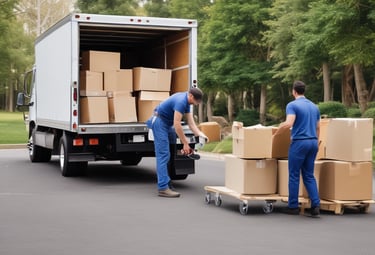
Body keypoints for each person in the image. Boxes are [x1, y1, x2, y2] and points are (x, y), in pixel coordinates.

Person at [146, 87, 208, 198]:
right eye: (196, 102)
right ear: (191, 96)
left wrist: (200, 135)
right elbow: (177, 124)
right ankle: (163, 188)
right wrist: (185, 143)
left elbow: (191, 124)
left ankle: (167, 181)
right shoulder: (181, 101)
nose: (196, 104)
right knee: (163, 155)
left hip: (167, 123)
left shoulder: (187, 101)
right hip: (159, 122)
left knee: (170, 152)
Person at [274, 81, 321, 218]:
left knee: (294, 174)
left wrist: (276, 133)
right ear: (303, 91)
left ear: (294, 91)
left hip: (300, 143)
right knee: (309, 174)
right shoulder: (314, 106)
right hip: (313, 142)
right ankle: (315, 205)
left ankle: (293, 206)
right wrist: (317, 142)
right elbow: (318, 127)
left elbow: (289, 123)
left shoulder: (292, 105)